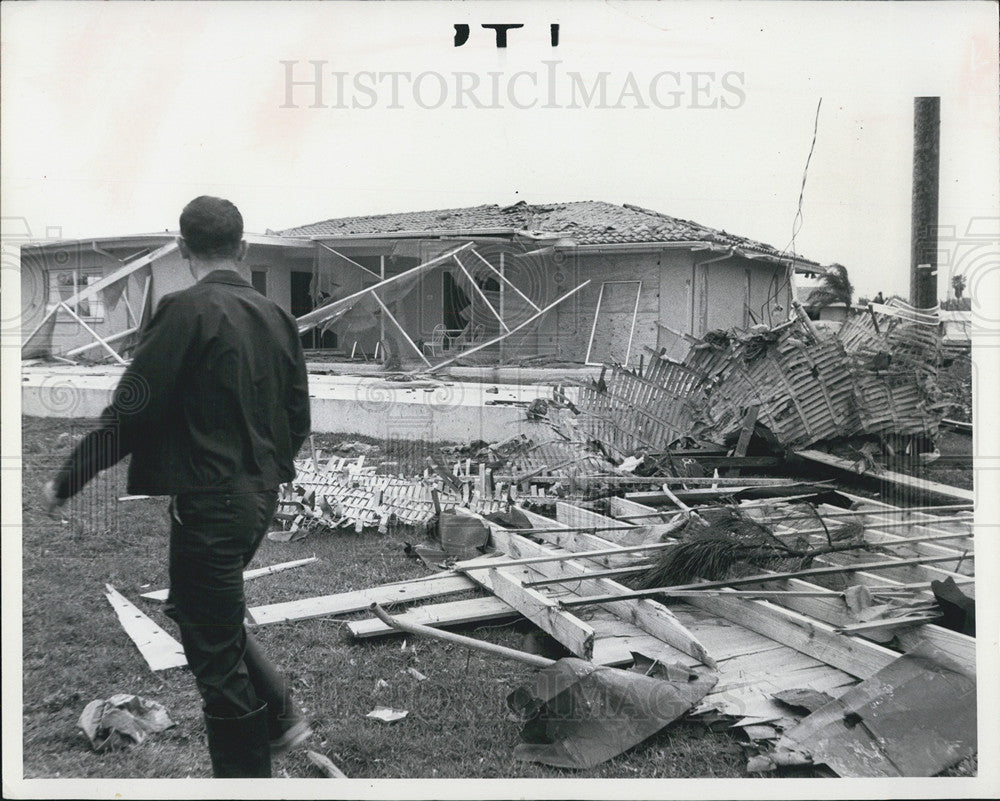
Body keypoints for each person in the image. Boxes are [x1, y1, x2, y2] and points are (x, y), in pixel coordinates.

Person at [43, 196, 313, 778]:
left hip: (213, 504)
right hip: (258, 498)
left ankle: (248, 777)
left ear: (183, 249)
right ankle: (281, 717)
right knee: (198, 608)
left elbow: (133, 410)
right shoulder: (277, 316)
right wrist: (261, 474)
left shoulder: (182, 311)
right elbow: (297, 418)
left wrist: (69, 477)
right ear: (242, 249)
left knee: (214, 658)